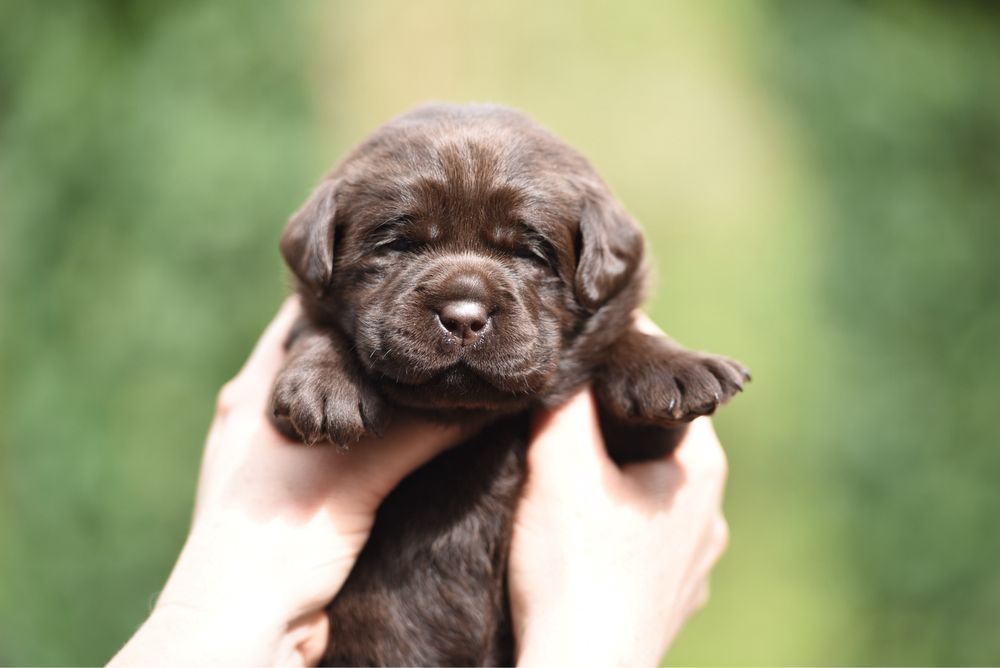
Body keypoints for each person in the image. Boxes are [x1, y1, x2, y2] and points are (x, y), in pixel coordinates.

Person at [109, 299, 729, 667]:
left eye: (526, 250)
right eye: (398, 245)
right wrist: (599, 643)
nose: (464, 307)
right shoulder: (332, 340)